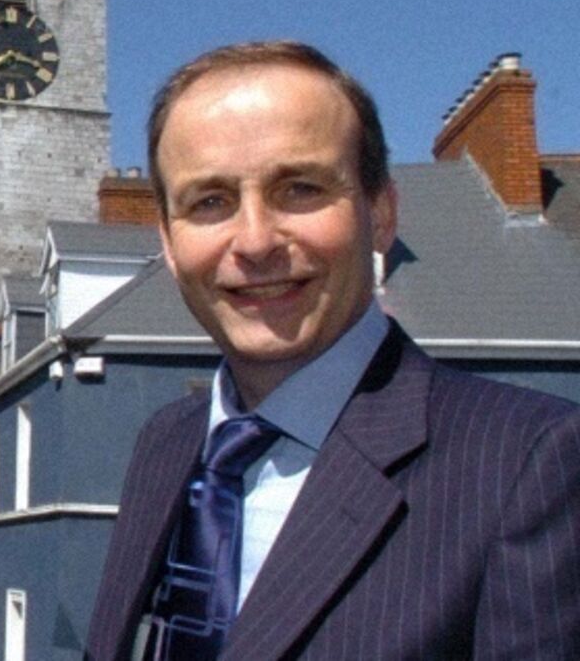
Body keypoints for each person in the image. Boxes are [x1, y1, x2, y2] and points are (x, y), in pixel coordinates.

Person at [87, 41, 580, 660]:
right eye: (209, 202)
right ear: (167, 239)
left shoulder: (525, 466)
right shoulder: (165, 442)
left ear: (382, 213)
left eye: (300, 189)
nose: (256, 241)